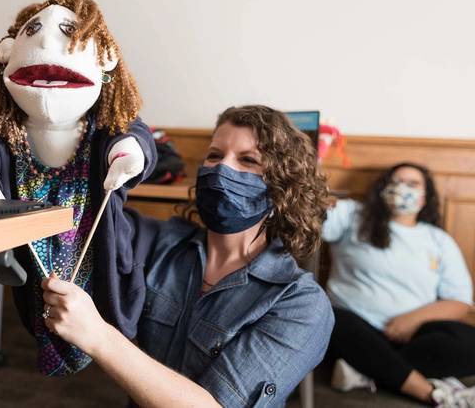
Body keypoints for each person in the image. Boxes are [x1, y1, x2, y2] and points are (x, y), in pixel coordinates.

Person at [40, 105, 334, 407]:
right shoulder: (163, 242)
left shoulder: (300, 304)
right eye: (215, 155)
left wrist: (98, 336)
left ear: (281, 187)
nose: (222, 169)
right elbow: (84, 217)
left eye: (248, 160)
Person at [323, 162, 475, 406]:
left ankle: (365, 371)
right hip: (354, 324)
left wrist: (412, 320)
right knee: (329, 319)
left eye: (412, 184)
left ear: (425, 196)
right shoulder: (353, 215)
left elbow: (459, 301)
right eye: (395, 182)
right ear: (382, 189)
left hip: (415, 335)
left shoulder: (438, 240)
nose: (402, 188)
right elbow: (312, 221)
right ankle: (430, 393)